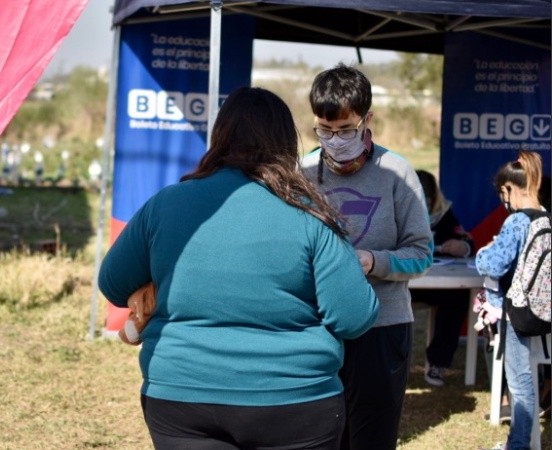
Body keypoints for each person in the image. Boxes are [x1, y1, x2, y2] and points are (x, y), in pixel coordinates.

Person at [98, 87, 379, 450]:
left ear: (220, 137)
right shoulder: (311, 214)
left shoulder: (166, 204)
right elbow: (354, 317)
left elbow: (113, 283)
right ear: (286, 144)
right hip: (294, 402)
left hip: (180, 397)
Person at [300, 63, 433, 450]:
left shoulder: (397, 173)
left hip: (382, 327)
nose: (335, 140)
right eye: (324, 130)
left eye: (345, 129)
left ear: (367, 120)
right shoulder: (301, 172)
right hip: (320, 328)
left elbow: (422, 255)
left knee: (372, 437)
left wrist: (374, 261)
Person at [476, 150, 546, 450]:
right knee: (528, 376)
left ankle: (519, 445)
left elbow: (493, 265)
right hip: (542, 309)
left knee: (519, 382)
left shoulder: (517, 222)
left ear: (508, 189)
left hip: (516, 311)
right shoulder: (545, 217)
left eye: (501, 194)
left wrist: (483, 253)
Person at [410, 169, 475, 387]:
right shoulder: (395, 212)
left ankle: (438, 362)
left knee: (458, 297)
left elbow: (466, 241)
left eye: (428, 200)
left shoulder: (443, 214)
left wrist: (462, 247)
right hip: (404, 282)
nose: (425, 206)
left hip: (436, 283)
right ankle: (388, 363)